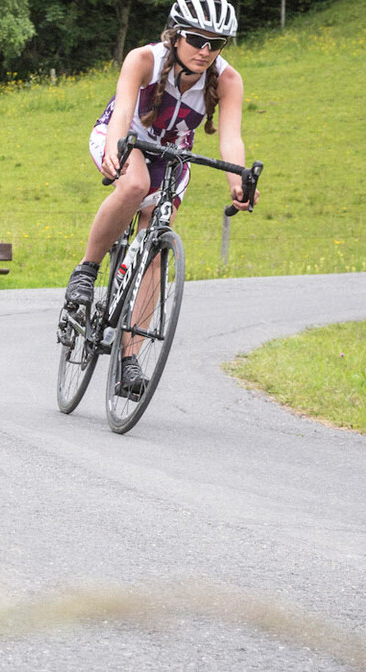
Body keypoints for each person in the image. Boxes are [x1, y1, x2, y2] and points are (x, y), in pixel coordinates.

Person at [63, 0, 255, 397]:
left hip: (172, 156)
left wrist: (238, 182)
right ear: (176, 34)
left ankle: (128, 362)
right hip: (122, 137)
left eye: (216, 43)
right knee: (133, 187)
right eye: (198, 39)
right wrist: (117, 150)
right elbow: (120, 114)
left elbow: (231, 137)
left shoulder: (227, 80)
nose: (205, 50)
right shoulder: (144, 60)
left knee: (155, 247)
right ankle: (86, 270)